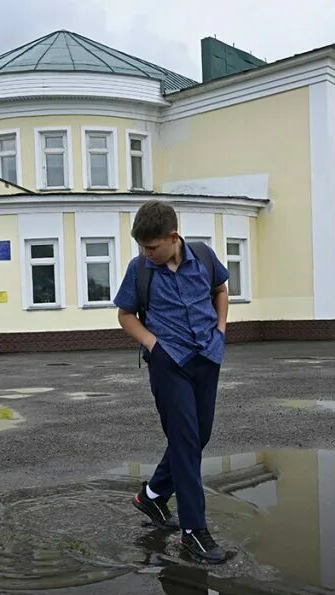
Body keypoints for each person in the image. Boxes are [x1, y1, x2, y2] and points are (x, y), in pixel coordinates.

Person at [114, 200, 229, 563]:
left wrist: (221, 331)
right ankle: (194, 533)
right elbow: (125, 315)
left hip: (207, 358)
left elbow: (221, 290)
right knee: (185, 441)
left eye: (152, 247)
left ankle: (151, 496)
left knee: (200, 436)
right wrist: (154, 345)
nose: (146, 254)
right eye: (142, 248)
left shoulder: (204, 256)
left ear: (173, 237)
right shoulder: (140, 269)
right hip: (169, 364)